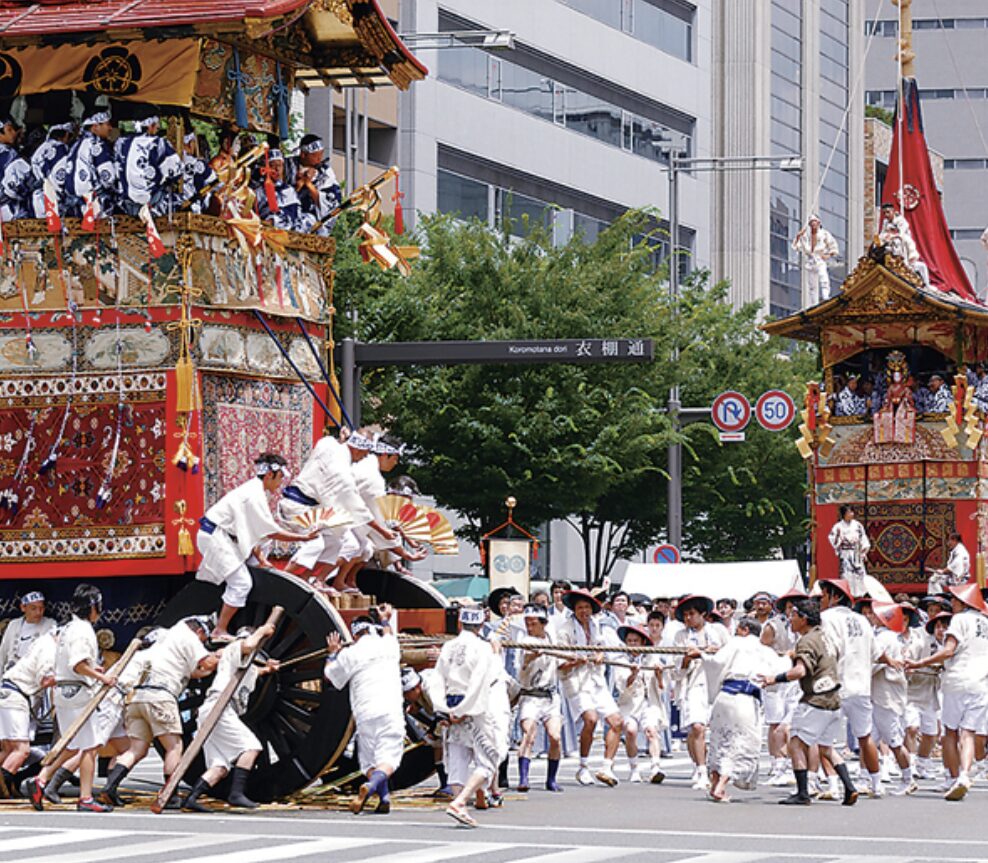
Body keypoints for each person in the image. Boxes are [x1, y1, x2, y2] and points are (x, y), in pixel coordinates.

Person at [99, 617, 219, 807]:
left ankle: (110, 787)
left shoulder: (164, 639)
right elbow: (208, 663)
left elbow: (195, 671)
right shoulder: (188, 636)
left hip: (137, 697)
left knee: (136, 749)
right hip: (161, 697)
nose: (203, 643)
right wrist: (226, 653)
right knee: (174, 747)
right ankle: (170, 794)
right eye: (204, 639)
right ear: (199, 632)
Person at [197, 453, 316, 641]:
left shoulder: (255, 491)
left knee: (259, 552)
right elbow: (270, 531)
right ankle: (219, 630)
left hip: (226, 537)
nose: (281, 483)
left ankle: (254, 566)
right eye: (280, 478)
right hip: (215, 537)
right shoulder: (253, 495)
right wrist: (303, 537)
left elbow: (253, 531)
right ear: (270, 475)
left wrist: (261, 559)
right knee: (241, 583)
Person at [758, 599, 858, 806]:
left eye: (794, 616)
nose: (791, 620)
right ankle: (849, 787)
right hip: (834, 699)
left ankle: (803, 792)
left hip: (816, 700)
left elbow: (800, 671)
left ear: (804, 618)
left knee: (795, 743)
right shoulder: (825, 636)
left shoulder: (806, 641)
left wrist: (773, 678)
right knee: (826, 747)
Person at [25, 584, 116, 813]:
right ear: (93, 606)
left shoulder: (68, 629)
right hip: (77, 692)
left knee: (72, 746)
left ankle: (41, 778)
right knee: (90, 746)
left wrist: (95, 671)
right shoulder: (83, 630)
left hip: (65, 692)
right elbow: (77, 663)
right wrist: (101, 677)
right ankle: (85, 797)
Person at [281, 430, 395, 592]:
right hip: (297, 508)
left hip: (313, 509)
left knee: (339, 540)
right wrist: (383, 531)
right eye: (365, 452)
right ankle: (284, 578)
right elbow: (357, 508)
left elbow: (329, 441)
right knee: (316, 542)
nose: (366, 456)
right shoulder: (342, 474)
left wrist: (343, 439)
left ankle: (308, 577)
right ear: (356, 448)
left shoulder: (329, 443)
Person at [183, 623, 279, 811]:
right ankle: (236, 794)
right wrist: (263, 629)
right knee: (251, 747)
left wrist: (268, 669)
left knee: (220, 766)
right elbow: (248, 645)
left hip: (216, 710)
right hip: (220, 707)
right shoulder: (235, 648)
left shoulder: (245, 665)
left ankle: (192, 798)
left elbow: (254, 671)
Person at [906, 583, 988, 801]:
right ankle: (963, 774)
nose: (951, 604)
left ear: (963, 602)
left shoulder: (960, 620)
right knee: (968, 732)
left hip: (957, 680)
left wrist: (919, 662)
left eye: (954, 600)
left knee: (950, 732)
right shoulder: (986, 622)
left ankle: (952, 778)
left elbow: (949, 651)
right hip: (981, 683)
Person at [693, 616, 786, 802]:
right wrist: (789, 658)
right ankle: (720, 786)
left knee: (720, 741)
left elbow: (716, 663)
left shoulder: (734, 644)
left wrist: (702, 655)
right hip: (745, 700)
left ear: (744, 629)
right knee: (739, 743)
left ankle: (715, 783)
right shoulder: (765, 651)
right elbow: (779, 673)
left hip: (724, 697)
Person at [325, 606, 404, 815]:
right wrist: (385, 619)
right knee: (388, 758)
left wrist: (333, 654)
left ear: (355, 634)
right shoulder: (389, 645)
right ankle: (371, 788)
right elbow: (388, 633)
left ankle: (383, 798)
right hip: (390, 710)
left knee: (369, 761)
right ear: (372, 630)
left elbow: (331, 676)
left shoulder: (351, 653)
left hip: (365, 712)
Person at [819, 578, 885, 799]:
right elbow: (876, 653)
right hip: (861, 685)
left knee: (824, 739)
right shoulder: (863, 620)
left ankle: (834, 784)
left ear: (834, 596)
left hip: (836, 685)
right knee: (865, 737)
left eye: (824, 595)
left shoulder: (826, 618)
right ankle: (876, 784)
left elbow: (830, 650)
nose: (821, 600)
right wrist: (892, 660)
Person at [436, 606, 499, 828]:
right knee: (489, 759)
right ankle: (461, 801)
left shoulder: (448, 646)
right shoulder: (483, 648)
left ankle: (459, 802)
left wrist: (443, 708)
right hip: (473, 706)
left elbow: (437, 679)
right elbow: (481, 681)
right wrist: (464, 709)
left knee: (457, 760)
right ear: (481, 626)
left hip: (451, 702)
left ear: (460, 624)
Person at [555, 589, 623, 787]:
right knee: (591, 719)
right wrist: (575, 660)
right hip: (576, 681)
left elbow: (602, 647)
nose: (584, 611)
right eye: (579, 608)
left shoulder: (596, 626)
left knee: (617, 721)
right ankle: (583, 766)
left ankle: (607, 766)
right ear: (574, 610)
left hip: (596, 680)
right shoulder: (565, 630)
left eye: (587, 607)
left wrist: (600, 654)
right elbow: (559, 662)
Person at [672, 594, 729, 792]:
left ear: (703, 614)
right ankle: (701, 769)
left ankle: (716, 768)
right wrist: (687, 659)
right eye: (685, 615)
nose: (689, 618)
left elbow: (729, 654)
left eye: (692, 614)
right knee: (696, 727)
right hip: (694, 684)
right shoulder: (680, 637)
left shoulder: (718, 631)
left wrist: (712, 650)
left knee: (718, 730)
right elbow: (676, 671)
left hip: (717, 683)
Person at [863, 601, 916, 796]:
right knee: (868, 738)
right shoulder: (890, 636)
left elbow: (874, 661)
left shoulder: (885, 637)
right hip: (881, 692)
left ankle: (907, 778)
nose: (870, 616)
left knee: (893, 740)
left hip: (886, 693)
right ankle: (868, 778)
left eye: (874, 614)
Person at [0, 628, 55, 798]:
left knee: (9, 750)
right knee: (21, 750)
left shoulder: (41, 642)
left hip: (8, 692)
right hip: (16, 695)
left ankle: (7, 784)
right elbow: (45, 679)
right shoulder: (50, 647)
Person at [515, 604, 563, 793]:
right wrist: (530, 658)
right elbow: (523, 667)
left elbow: (562, 658)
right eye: (527, 623)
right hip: (530, 696)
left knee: (555, 736)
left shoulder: (551, 637)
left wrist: (576, 659)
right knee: (529, 734)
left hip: (550, 696)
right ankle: (523, 778)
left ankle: (551, 779)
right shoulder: (525, 640)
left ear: (543, 624)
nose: (529, 626)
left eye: (533, 623)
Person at [613, 623, 667, 785]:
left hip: (649, 702)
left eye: (636, 641)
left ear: (643, 642)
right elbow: (621, 687)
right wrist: (633, 674)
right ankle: (634, 768)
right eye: (629, 641)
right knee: (630, 731)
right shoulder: (620, 660)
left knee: (651, 730)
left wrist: (658, 675)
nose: (632, 644)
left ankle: (655, 767)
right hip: (629, 703)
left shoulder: (652, 657)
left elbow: (662, 688)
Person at [761, 590, 805, 787]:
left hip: (796, 678)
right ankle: (777, 763)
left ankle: (787, 764)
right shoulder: (773, 626)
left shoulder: (806, 626)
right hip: (775, 679)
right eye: (789, 607)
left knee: (791, 723)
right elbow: (761, 649)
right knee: (775, 723)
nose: (792, 611)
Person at [907, 609, 946, 782]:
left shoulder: (950, 646)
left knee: (931, 733)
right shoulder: (922, 641)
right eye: (938, 626)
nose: (941, 630)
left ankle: (923, 763)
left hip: (931, 692)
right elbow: (909, 658)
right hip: (913, 690)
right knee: (912, 728)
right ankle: (910, 762)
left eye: (945, 627)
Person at [115, 116, 182, 216]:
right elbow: (176, 171)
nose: (158, 127)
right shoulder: (159, 143)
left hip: (125, 205)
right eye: (156, 125)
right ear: (150, 126)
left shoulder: (121, 143)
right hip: (152, 205)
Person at [62, 111, 118, 217]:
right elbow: (108, 178)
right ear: (95, 127)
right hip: (93, 204)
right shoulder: (97, 145)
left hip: (73, 205)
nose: (110, 128)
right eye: (107, 124)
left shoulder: (75, 145)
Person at [285, 134, 342, 234]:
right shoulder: (287, 166)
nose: (319, 159)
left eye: (321, 154)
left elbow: (332, 201)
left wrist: (308, 184)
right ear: (303, 154)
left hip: (312, 219)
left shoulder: (325, 171)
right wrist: (298, 185)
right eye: (315, 155)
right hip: (286, 214)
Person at [0, 591, 56, 674]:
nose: (38, 612)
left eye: (41, 608)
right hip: (11, 672)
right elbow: (2, 653)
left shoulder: (50, 624)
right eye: (33, 608)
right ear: (23, 607)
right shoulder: (14, 624)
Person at [255, 149, 311, 232]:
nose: (277, 169)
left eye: (279, 165)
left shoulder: (289, 189)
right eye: (272, 165)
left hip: (291, 229)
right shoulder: (258, 192)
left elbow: (294, 211)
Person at [792, 215, 839, 305]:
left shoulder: (824, 234)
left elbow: (833, 247)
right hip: (810, 261)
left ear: (818, 223)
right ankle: (814, 303)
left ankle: (825, 296)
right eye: (811, 223)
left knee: (823, 278)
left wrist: (828, 255)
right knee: (812, 285)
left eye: (815, 222)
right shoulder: (805, 236)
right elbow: (796, 247)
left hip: (819, 260)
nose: (813, 225)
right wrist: (798, 236)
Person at [30, 123, 73, 219]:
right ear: (66, 134)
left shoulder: (40, 149)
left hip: (39, 198)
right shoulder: (61, 148)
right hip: (54, 200)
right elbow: (60, 179)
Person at [828, 505, 871, 597]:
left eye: (852, 512)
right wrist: (841, 540)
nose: (851, 514)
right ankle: (848, 594)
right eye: (848, 512)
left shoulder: (858, 525)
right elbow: (832, 538)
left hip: (856, 553)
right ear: (844, 514)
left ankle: (861, 594)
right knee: (847, 575)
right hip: (846, 554)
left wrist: (863, 551)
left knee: (859, 574)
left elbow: (863, 538)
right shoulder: (838, 527)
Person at [0, 117, 32, 222]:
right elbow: (15, 185)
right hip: (9, 210)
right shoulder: (9, 154)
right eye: (9, 130)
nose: (13, 133)